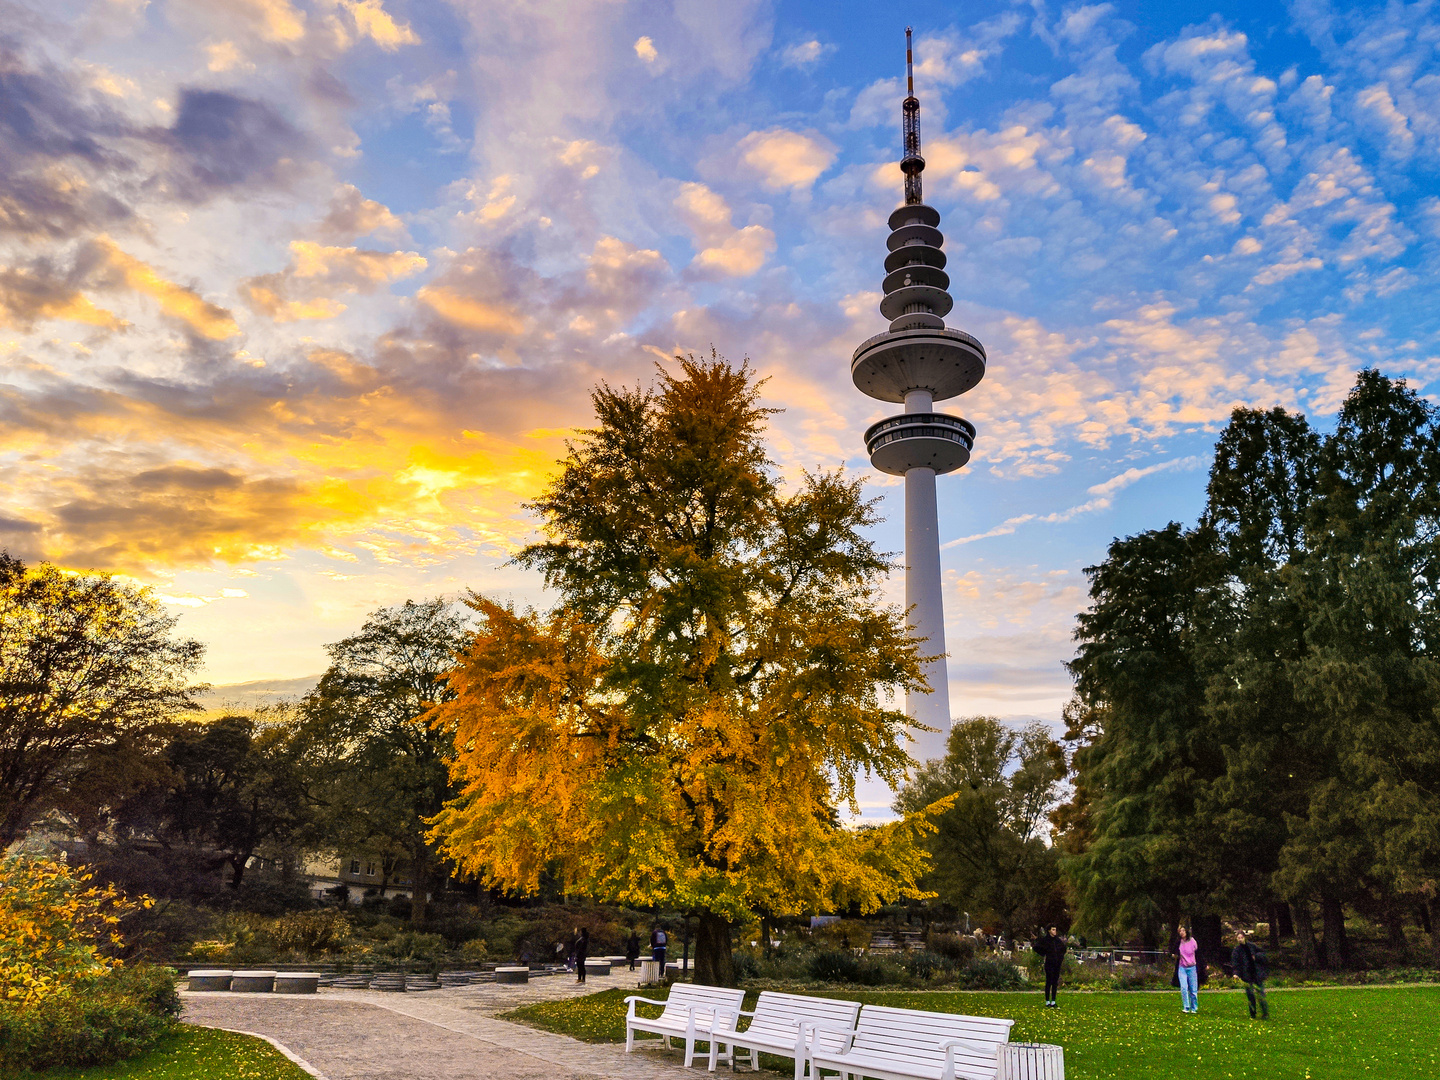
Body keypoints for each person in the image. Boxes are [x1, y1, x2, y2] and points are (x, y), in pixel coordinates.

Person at [1231, 931, 1269, 1020]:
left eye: (1241, 937)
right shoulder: (1236, 951)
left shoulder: (1252, 946)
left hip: (1256, 974)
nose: (1240, 939)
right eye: (1238, 938)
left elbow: (1263, 954)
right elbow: (1236, 964)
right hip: (1247, 976)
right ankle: (1253, 1014)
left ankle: (1265, 1013)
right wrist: (1236, 974)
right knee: (1250, 995)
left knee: (1261, 994)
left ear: (1244, 938)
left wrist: (1256, 957)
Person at [1032, 926, 1067, 1008]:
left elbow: (1063, 949)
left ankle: (1053, 1001)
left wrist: (1060, 958)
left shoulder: (1057, 941)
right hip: (1049, 963)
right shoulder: (1045, 940)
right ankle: (1047, 1001)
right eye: (1053, 930)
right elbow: (1036, 947)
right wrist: (1044, 953)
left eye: (1055, 929)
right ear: (1049, 931)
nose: (1055, 931)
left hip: (1057, 964)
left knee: (1055, 982)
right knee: (1049, 982)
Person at [1171, 925, 1200, 1014]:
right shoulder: (1179, 942)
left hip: (1191, 967)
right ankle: (1186, 1007)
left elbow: (1197, 952)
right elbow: (1174, 951)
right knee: (1184, 987)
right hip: (1182, 967)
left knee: (1193, 989)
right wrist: (1174, 955)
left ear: (1187, 931)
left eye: (1183, 931)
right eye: (1180, 931)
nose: (1182, 933)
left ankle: (1194, 1007)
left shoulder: (1192, 941)